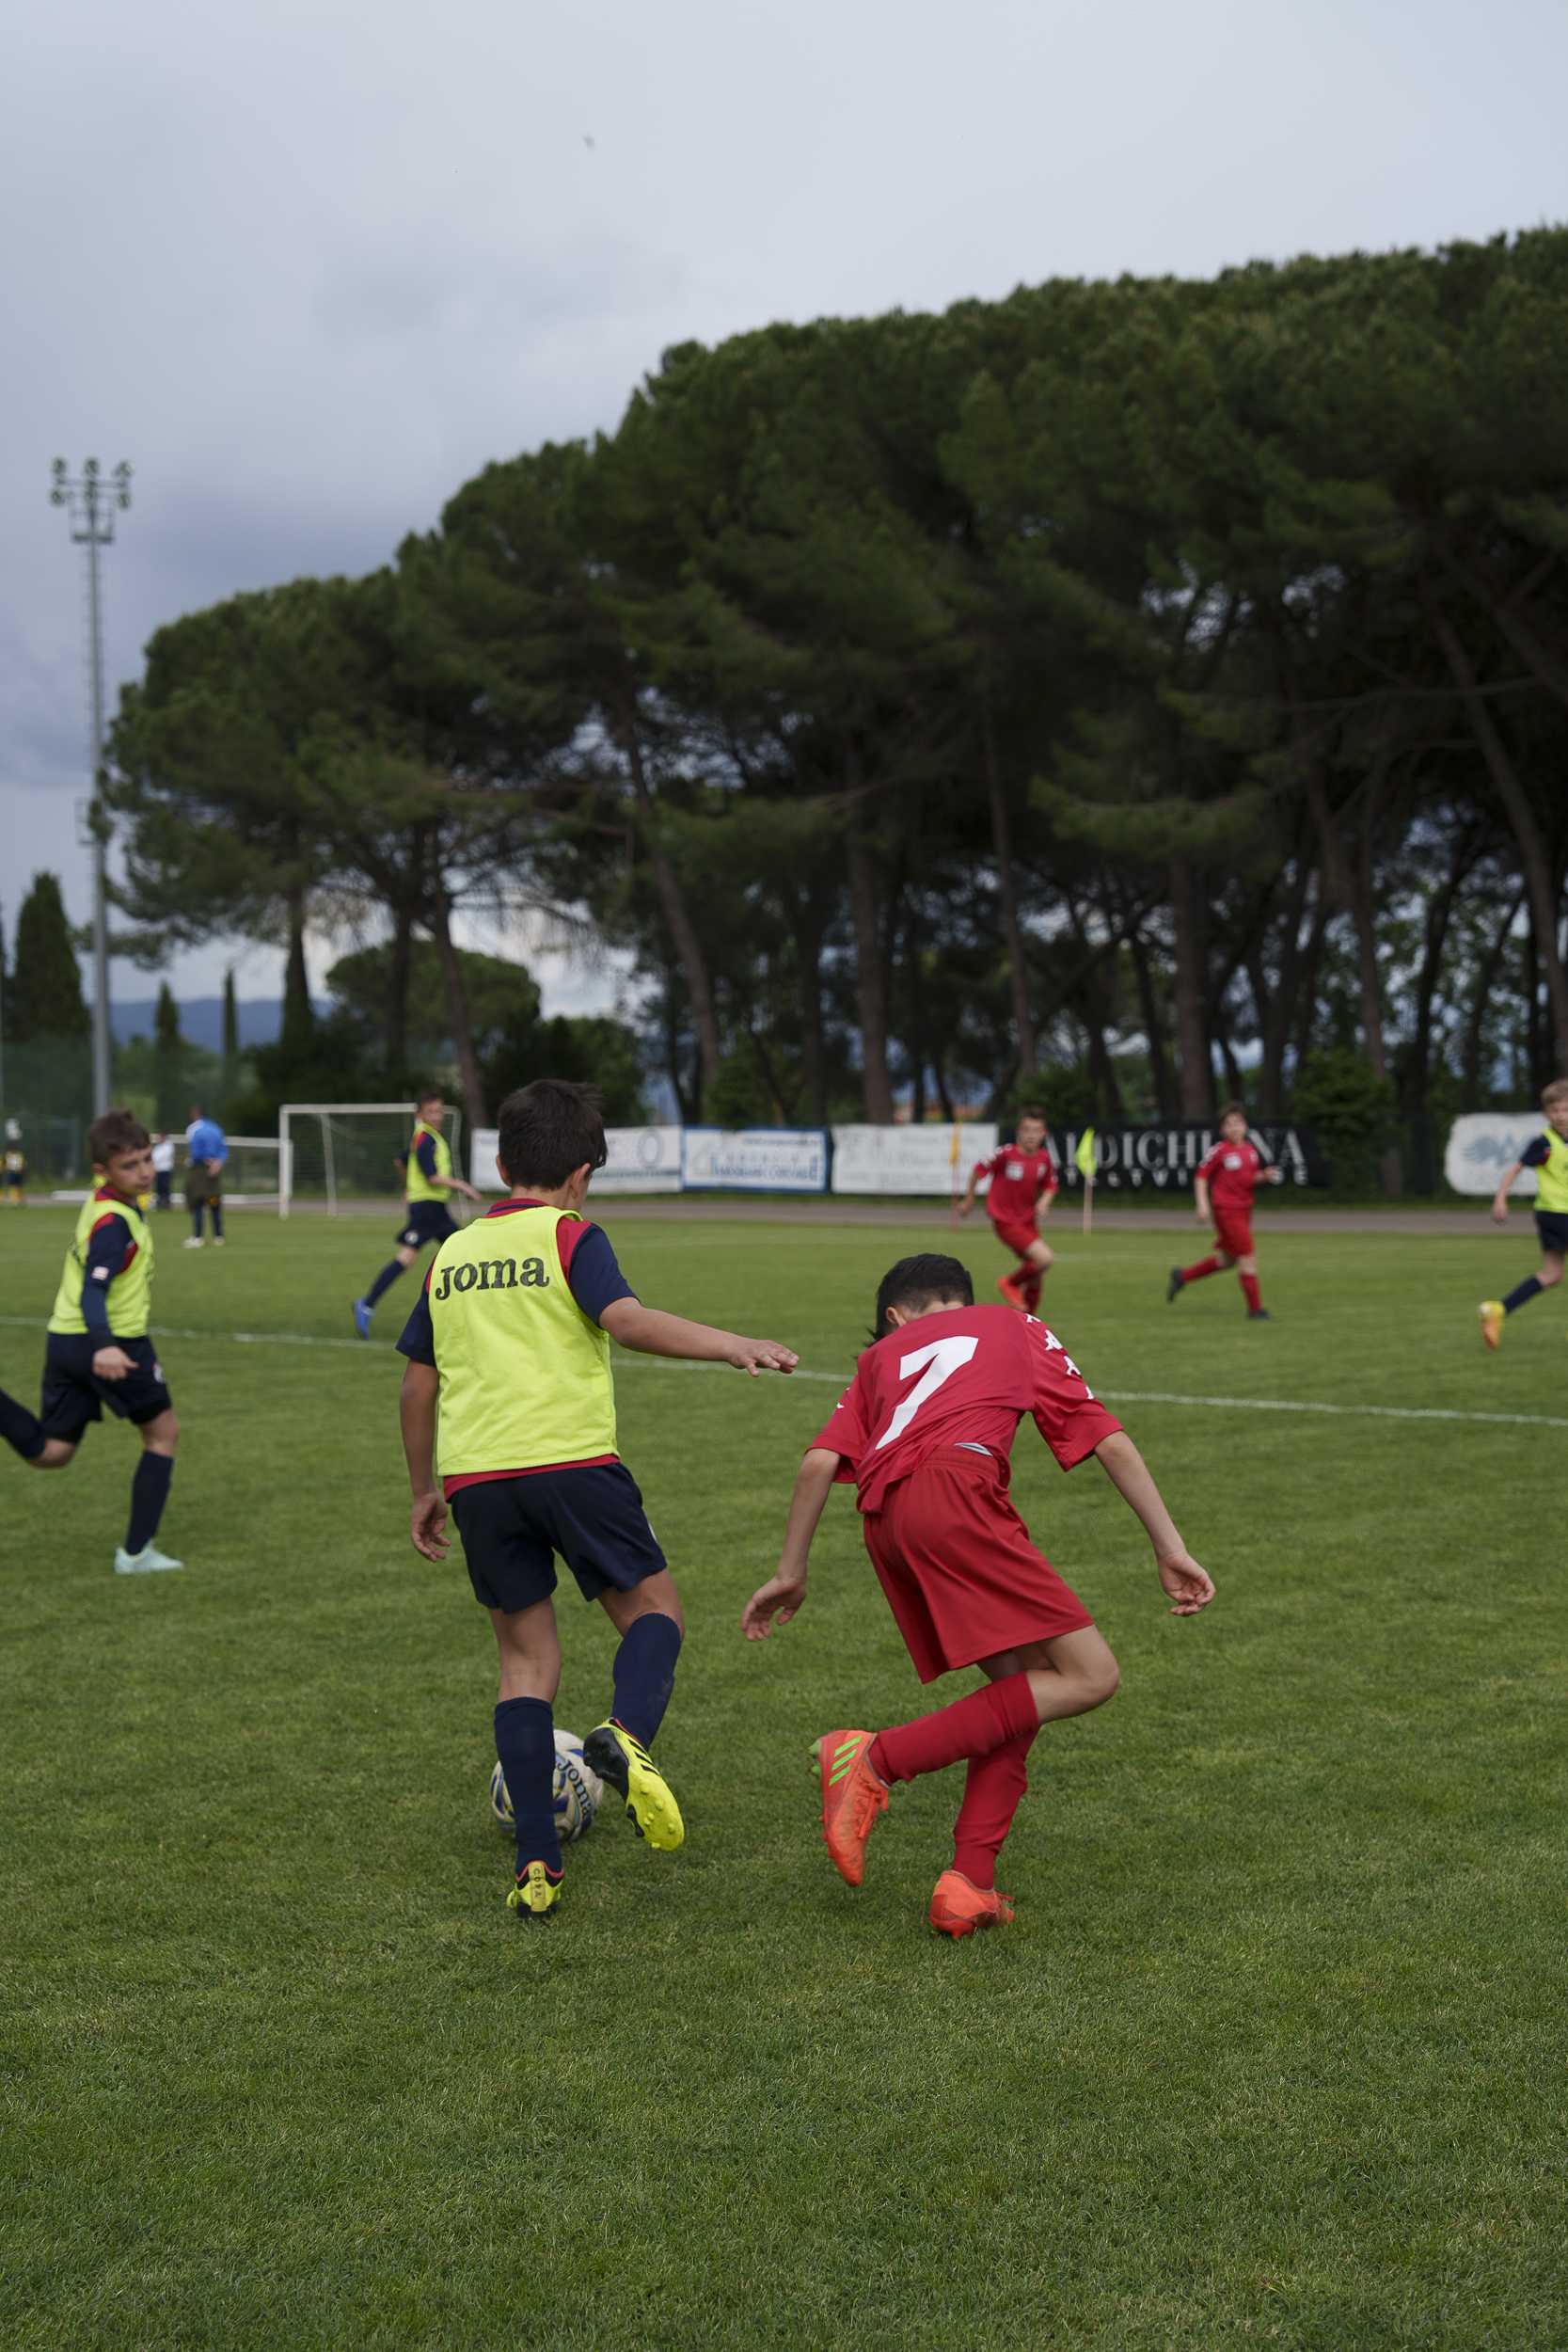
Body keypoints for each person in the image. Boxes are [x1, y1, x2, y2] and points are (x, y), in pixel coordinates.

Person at [396, 1077, 799, 1919]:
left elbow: (417, 1385)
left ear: (500, 1165)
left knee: (524, 1663)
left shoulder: (451, 1255)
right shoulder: (570, 1235)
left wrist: (424, 1488)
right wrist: (730, 1343)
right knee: (655, 1612)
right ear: (582, 1174)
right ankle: (624, 1733)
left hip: (478, 1480)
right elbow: (625, 1319)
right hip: (573, 1463)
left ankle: (536, 1863)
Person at [741, 1254, 1212, 1937]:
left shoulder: (879, 1359)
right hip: (958, 1495)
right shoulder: (1015, 1323)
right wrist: (1169, 1546)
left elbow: (819, 1462)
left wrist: (792, 1570)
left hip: (885, 1522)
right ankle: (874, 1758)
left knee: (1020, 1691)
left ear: (895, 1318)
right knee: (1091, 1676)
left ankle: (968, 1884)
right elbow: (1103, 1436)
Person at [0, 1107, 183, 1574]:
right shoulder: (113, 1224)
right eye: (130, 1165)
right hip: (112, 1343)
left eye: (147, 1159)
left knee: (52, 1452)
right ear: (103, 1170)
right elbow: (93, 1291)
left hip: (65, 1340)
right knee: (163, 1434)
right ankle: (136, 1554)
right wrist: (105, 1345)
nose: (144, 1172)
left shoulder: (104, 1202)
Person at [354, 1089, 483, 1337]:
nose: (436, 1116)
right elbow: (432, 1177)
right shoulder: (425, 1139)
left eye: (439, 1111)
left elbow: (401, 1161)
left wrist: (408, 1187)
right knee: (429, 1256)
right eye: (430, 1112)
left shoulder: (426, 1137)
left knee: (461, 1255)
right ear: (420, 1114)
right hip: (427, 1209)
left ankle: (369, 1305)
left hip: (434, 1209)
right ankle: (367, 1305)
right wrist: (462, 1185)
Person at [1166, 1103, 1284, 1319]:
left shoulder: (1250, 1151)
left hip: (1244, 1210)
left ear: (1245, 1126)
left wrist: (1264, 1176)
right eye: (1229, 1124)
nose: (1234, 1127)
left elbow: (1248, 1179)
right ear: (1222, 1130)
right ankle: (1255, 1310)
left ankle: (1182, 1277)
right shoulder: (1220, 1150)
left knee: (1227, 1260)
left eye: (1238, 1122)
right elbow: (1201, 1177)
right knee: (1247, 1256)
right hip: (1226, 1211)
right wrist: (1203, 1204)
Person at [1479, 1076, 1568, 1348]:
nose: (1561, 1116)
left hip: (1551, 1215)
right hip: (1557, 1214)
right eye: (1555, 1110)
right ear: (1546, 1114)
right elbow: (1515, 1169)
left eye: (1565, 1110)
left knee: (1552, 1274)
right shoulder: (1544, 1144)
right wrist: (1500, 1198)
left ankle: (1498, 1310)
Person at [958, 1105, 1058, 1311]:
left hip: (1028, 1222)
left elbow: (1050, 1185)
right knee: (1045, 1259)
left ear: (1044, 1133)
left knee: (1036, 1275)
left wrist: (1044, 1201)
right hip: (1005, 1221)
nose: (1031, 1135)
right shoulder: (1005, 1154)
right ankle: (1009, 1283)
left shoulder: (1044, 1158)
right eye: (1027, 1130)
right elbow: (977, 1170)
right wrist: (969, 1200)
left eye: (1036, 1130)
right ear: (1018, 1131)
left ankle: (1029, 1320)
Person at [182, 1104, 229, 1248]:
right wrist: (218, 1162)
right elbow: (223, 1149)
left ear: (195, 1113)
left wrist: (197, 1160)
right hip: (214, 1172)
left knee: (198, 1203)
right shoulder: (216, 1128)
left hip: (200, 1171)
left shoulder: (194, 1129)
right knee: (214, 1202)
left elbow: (196, 1153)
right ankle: (219, 1237)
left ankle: (198, 1237)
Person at [150, 1131, 176, 1211]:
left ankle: (167, 1204)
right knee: (159, 1188)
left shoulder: (169, 1146)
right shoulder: (158, 1147)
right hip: (158, 1170)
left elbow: (160, 1157)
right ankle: (160, 1204)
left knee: (165, 1188)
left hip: (165, 1170)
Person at [3, 1119, 25, 1206]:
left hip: (17, 1172)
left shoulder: (18, 1154)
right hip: (13, 1172)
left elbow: (21, 1163)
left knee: (17, 1187)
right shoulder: (10, 1154)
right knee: (14, 1187)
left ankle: (18, 1200)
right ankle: (15, 1200)